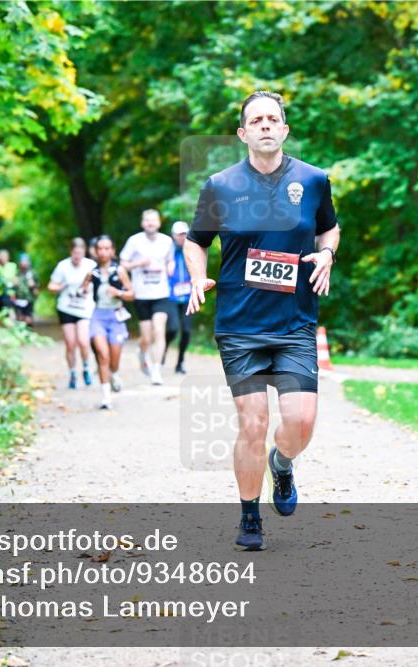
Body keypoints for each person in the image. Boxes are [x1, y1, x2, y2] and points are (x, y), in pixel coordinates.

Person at [184, 91, 340, 551]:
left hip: (295, 323)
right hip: (240, 326)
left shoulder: (313, 180)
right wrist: (197, 276)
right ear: (243, 133)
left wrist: (327, 253)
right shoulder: (220, 185)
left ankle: (282, 463)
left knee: (301, 423)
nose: (266, 125)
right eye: (257, 120)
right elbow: (196, 240)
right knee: (252, 423)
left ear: (285, 130)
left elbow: (329, 227)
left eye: (274, 118)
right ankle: (250, 517)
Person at [119, 209, 175, 385]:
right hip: (142, 294)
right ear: (143, 223)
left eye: (153, 220)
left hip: (161, 293)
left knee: (159, 330)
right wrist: (138, 263)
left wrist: (170, 268)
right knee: (146, 337)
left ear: (159, 223)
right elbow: (122, 264)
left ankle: (156, 370)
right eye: (147, 220)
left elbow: (170, 260)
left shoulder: (167, 241)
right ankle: (142, 350)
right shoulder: (134, 241)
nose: (150, 223)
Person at [81, 235, 135, 409]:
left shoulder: (119, 271)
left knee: (114, 360)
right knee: (102, 355)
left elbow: (132, 294)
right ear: (95, 251)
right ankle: (106, 397)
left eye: (107, 248)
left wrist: (118, 293)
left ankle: (114, 374)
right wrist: (83, 290)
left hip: (116, 317)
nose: (103, 252)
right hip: (98, 316)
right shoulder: (92, 272)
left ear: (112, 251)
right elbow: (82, 289)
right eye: (100, 249)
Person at [48, 238, 97, 389]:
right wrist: (60, 287)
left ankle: (86, 368)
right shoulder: (63, 266)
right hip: (66, 308)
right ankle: (72, 373)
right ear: (71, 252)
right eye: (75, 253)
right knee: (70, 344)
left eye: (80, 253)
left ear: (84, 252)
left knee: (83, 341)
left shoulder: (91, 265)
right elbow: (51, 286)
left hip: (85, 308)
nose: (77, 256)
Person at [163, 221, 194, 374]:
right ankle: (162, 350)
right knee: (172, 329)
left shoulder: (192, 250)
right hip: (171, 296)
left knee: (187, 331)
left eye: (185, 234)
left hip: (188, 297)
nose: (183, 237)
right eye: (179, 234)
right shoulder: (167, 251)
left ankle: (180, 362)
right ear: (173, 235)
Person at [13, 253, 38, 325]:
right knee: (19, 318)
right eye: (22, 261)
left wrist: (33, 286)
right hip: (18, 299)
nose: (24, 263)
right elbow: (12, 288)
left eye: (26, 261)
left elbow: (36, 290)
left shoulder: (33, 273)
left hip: (29, 299)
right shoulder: (16, 273)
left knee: (28, 319)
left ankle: (29, 330)